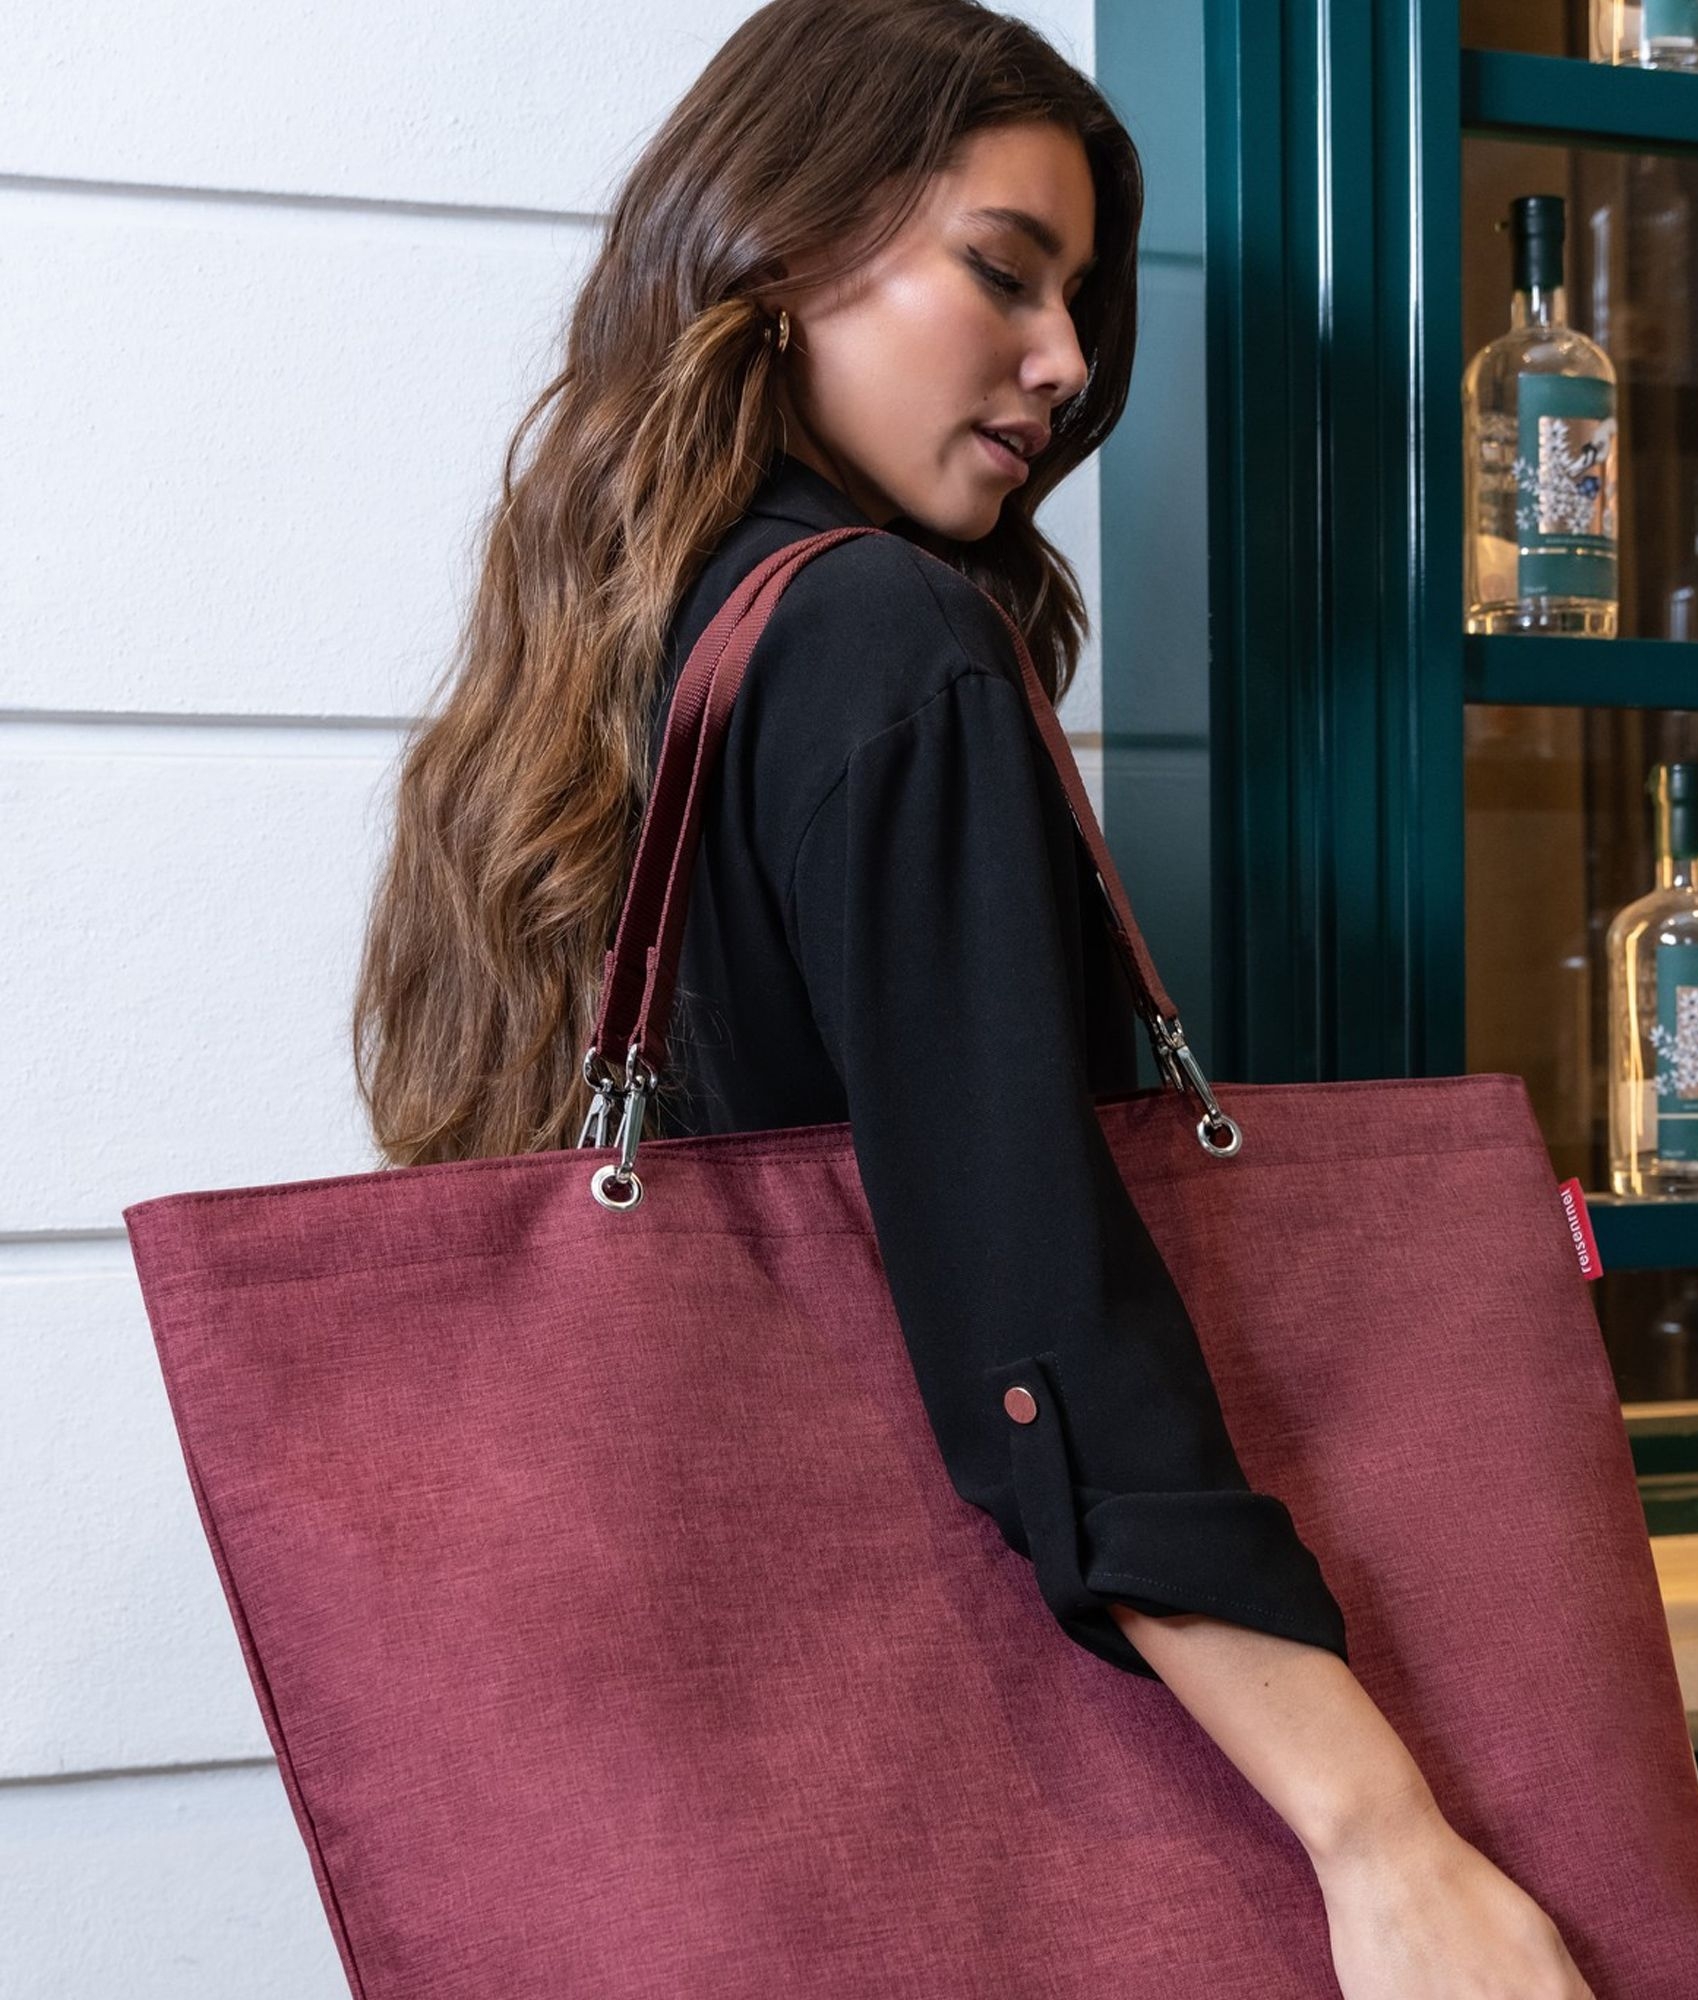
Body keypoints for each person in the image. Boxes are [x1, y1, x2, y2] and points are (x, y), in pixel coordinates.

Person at [354, 3, 1597, 1994]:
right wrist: (1381, 1839)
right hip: (1038, 1785)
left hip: (728, 1834)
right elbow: (1040, 1331)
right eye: (1004, 273)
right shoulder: (883, 638)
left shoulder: (610, 641)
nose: (1068, 364)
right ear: (779, 242)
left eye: (1079, 302)